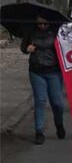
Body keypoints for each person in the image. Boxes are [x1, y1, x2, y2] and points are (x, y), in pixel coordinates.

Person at [22, 16, 65, 145]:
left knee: (57, 103)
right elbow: (23, 47)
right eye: (39, 23)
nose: (42, 25)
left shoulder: (57, 32)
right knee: (40, 101)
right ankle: (39, 131)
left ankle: (59, 123)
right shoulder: (30, 32)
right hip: (36, 71)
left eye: (44, 23)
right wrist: (26, 49)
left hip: (54, 71)